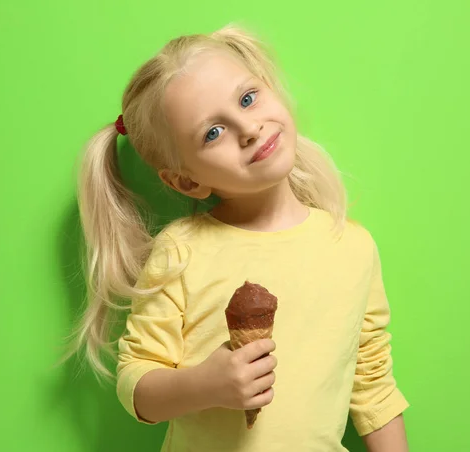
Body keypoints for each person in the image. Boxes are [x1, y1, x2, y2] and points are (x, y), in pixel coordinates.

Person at [66, 24, 409, 452]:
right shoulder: (181, 251)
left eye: (248, 98)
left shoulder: (353, 247)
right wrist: (205, 385)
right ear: (187, 182)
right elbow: (137, 383)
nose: (248, 128)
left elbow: (373, 386)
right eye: (213, 132)